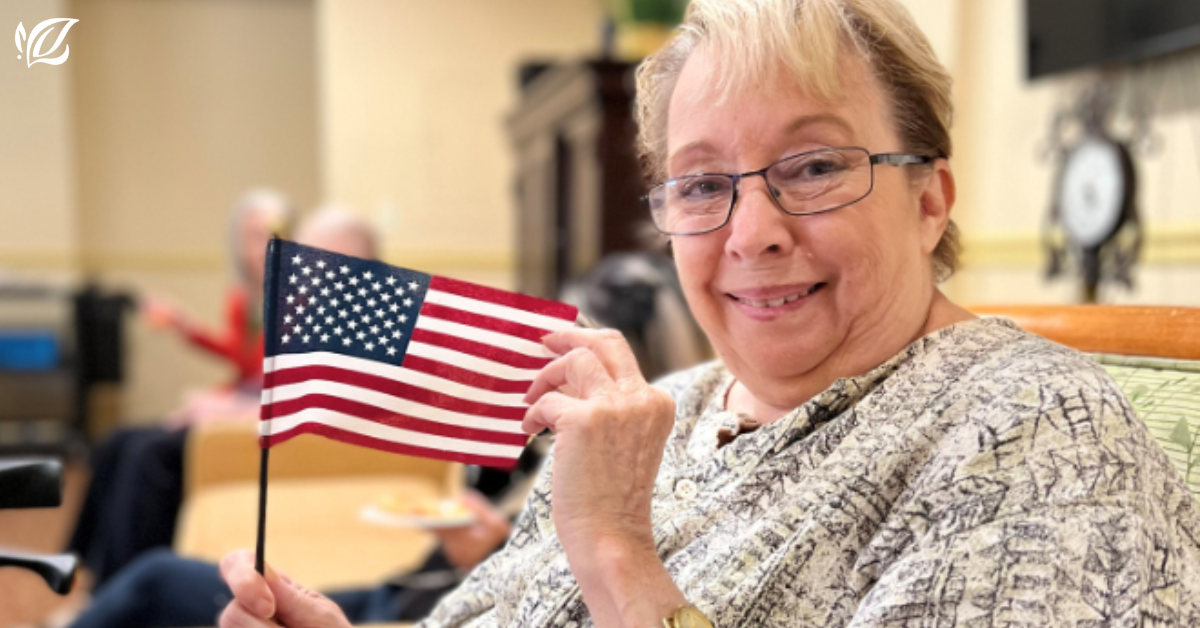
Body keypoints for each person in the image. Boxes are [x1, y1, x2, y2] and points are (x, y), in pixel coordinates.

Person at [218, 1, 1200, 626]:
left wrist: (616, 556)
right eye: (700, 184)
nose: (752, 230)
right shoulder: (664, 407)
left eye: (814, 166)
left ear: (931, 198)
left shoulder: (1037, 434)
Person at [67, 190, 296, 587]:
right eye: (249, 237)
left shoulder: (296, 296)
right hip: (240, 400)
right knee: (115, 441)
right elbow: (245, 361)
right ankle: (87, 567)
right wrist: (184, 326)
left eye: (268, 234)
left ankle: (124, 583)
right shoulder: (248, 298)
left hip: (252, 415)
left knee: (146, 452)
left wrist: (218, 405)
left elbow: (276, 382)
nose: (258, 248)